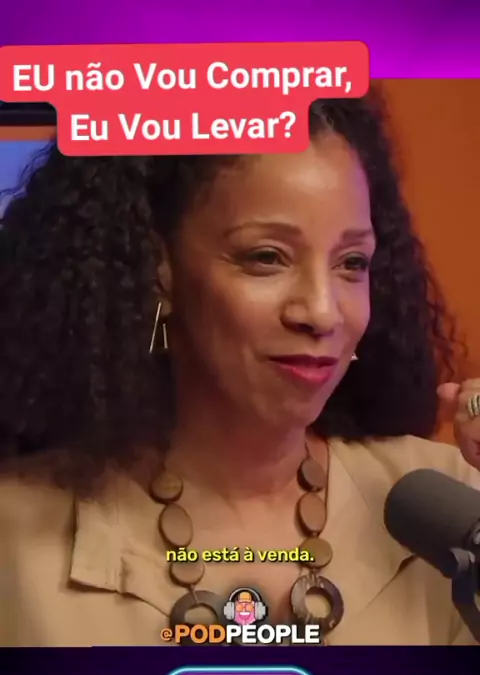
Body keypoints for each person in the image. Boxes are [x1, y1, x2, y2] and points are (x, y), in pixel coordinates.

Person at [0, 89, 479, 647]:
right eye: (266, 257)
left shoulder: (452, 505)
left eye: (352, 263)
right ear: (158, 269)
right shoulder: (16, 539)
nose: (323, 312)